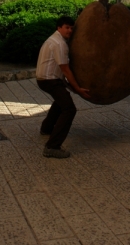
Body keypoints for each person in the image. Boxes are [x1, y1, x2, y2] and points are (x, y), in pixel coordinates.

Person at [36, 16, 90, 159]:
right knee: (69, 109)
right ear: (59, 27)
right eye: (67, 27)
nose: (70, 30)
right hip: (50, 80)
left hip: (45, 79)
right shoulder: (60, 44)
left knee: (61, 101)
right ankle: (52, 147)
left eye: (72, 28)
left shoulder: (53, 39)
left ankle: (46, 128)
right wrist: (77, 88)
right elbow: (65, 69)